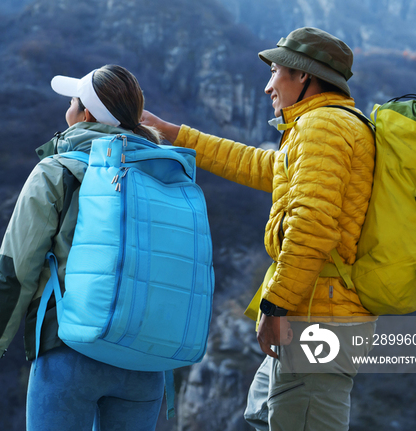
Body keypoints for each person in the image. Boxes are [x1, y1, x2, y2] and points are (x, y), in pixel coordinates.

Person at [142, 27, 376, 430]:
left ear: (303, 76)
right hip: (317, 310)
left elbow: (312, 228)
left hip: (316, 317)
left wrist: (275, 306)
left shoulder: (323, 128)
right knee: (263, 414)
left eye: (275, 72)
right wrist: (172, 132)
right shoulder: (324, 127)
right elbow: (259, 165)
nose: (269, 86)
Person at [0, 64, 165, 430]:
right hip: (144, 361)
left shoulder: (57, 170)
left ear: (87, 114)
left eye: (72, 102)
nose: (67, 110)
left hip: (71, 351)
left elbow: (18, 270)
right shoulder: (161, 173)